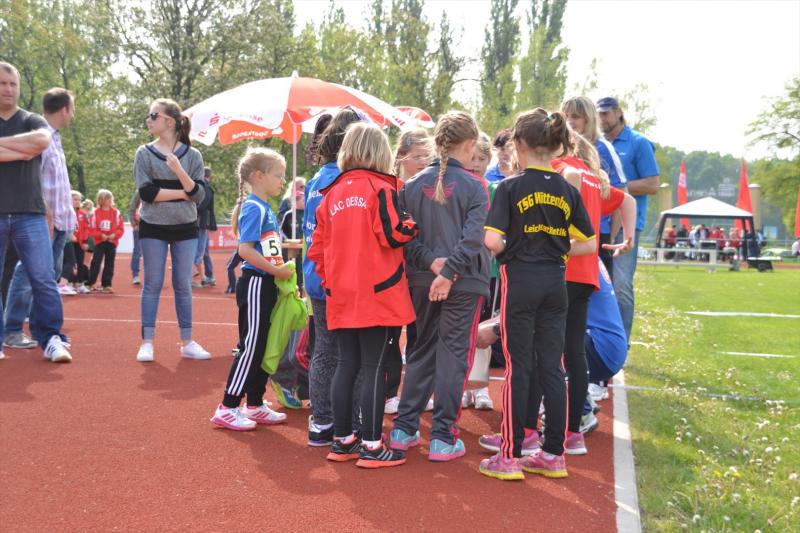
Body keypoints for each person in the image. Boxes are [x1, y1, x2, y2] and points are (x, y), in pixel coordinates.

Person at [479, 108, 596, 481]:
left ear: (519, 144)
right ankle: (553, 454)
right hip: (556, 282)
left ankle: (510, 455)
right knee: (553, 367)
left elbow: (492, 241)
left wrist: (517, 246)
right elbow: (589, 243)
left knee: (519, 367)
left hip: (522, 280)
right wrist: (555, 248)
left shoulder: (510, 187)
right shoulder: (567, 188)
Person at [308, 122, 416, 468]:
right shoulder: (381, 188)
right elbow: (393, 234)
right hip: (378, 293)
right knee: (373, 367)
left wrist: (333, 282)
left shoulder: (331, 193)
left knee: (346, 364)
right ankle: (371, 444)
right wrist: (413, 224)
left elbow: (317, 250)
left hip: (341, 293)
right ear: (380, 152)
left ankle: (343, 441)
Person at [389, 110, 490, 462]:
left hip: (424, 278)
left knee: (421, 350)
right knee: (454, 355)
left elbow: (405, 239)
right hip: (464, 281)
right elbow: (473, 239)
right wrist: (448, 271)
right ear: (471, 144)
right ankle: (443, 436)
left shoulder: (410, 186)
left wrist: (435, 264)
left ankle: (404, 428)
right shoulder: (476, 186)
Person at [209, 147, 293, 431]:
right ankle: (228, 406)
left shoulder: (265, 208)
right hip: (256, 283)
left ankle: (255, 403)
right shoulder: (254, 208)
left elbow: (266, 247)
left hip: (268, 283)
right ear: (259, 176)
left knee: (263, 345)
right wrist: (277, 270)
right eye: (278, 175)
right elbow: (245, 250)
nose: (282, 181)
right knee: (251, 345)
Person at [0, 62, 71, 362]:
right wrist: (23, 149)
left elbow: (41, 141)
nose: (8, 89)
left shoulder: (31, 120)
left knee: (43, 277)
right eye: (2, 83)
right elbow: (32, 147)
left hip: (30, 213)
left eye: (12, 84)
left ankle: (51, 338)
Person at [303, 108, 364, 447]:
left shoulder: (316, 180)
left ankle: (322, 421)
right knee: (349, 354)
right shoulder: (346, 180)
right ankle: (349, 422)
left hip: (315, 276)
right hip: (339, 278)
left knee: (324, 350)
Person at [133, 98, 209, 362]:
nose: (148, 120)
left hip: (185, 227)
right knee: (152, 284)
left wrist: (178, 170)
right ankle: (147, 342)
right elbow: (147, 193)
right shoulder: (144, 153)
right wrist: (183, 193)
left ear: (169, 121)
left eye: (153, 115)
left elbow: (199, 195)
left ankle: (187, 342)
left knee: (183, 285)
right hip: (153, 226)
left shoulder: (193, 156)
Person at [597, 96, 659, 343]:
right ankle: (601, 340)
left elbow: (653, 184)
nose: (602, 119)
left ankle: (621, 343)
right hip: (600, 223)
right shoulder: (597, 144)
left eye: (606, 113)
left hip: (626, 224)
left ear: (618, 113)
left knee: (621, 285)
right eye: (598, 114)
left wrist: (616, 187)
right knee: (600, 284)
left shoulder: (638, 143)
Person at [384, 128, 434, 415]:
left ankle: (416, 393)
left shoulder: (428, 186)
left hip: (418, 272)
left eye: (428, 156)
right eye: (418, 157)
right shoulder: (393, 187)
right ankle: (389, 392)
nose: (423, 162)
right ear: (402, 156)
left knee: (419, 335)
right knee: (391, 336)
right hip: (395, 273)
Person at [562, 96, 627, 278]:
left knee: (598, 289)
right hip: (569, 232)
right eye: (565, 116)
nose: (570, 122)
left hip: (598, 231)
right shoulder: (560, 146)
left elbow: (621, 193)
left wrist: (611, 236)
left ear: (588, 119)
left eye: (575, 117)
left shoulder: (603, 148)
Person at [462, 132, 495, 410]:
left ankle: (481, 388)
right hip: (464, 270)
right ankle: (462, 385)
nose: (476, 164)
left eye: (482, 159)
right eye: (472, 158)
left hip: (489, 270)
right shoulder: (459, 186)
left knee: (484, 331)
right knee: (461, 330)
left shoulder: (495, 190)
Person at [88, 189, 124, 293]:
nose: (109, 200)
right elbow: (91, 228)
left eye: (110, 198)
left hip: (112, 242)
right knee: (96, 262)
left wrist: (114, 235)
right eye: (107, 198)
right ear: (101, 200)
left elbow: (120, 228)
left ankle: (106, 285)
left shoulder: (116, 212)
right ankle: (90, 283)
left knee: (110, 263)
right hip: (99, 242)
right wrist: (100, 235)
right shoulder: (95, 213)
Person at [193, 167, 216, 288]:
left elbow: (202, 206)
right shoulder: (206, 187)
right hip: (201, 223)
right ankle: (205, 277)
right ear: (209, 176)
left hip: (200, 223)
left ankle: (206, 277)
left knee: (201, 251)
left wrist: (192, 211)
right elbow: (203, 206)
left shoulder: (203, 188)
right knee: (201, 251)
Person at [64, 190, 90, 293]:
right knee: (70, 262)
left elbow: (86, 229)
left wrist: (85, 241)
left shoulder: (82, 214)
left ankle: (79, 283)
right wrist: (69, 235)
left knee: (80, 262)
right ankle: (69, 283)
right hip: (68, 241)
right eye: (75, 199)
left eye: (79, 200)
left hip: (80, 243)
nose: (77, 201)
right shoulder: (66, 212)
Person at [127, 190, 142, 285]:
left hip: (154, 227)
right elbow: (132, 208)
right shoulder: (139, 192)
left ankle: (154, 276)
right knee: (137, 250)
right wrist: (134, 224)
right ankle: (135, 275)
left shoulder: (160, 189)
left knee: (154, 252)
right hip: (139, 227)